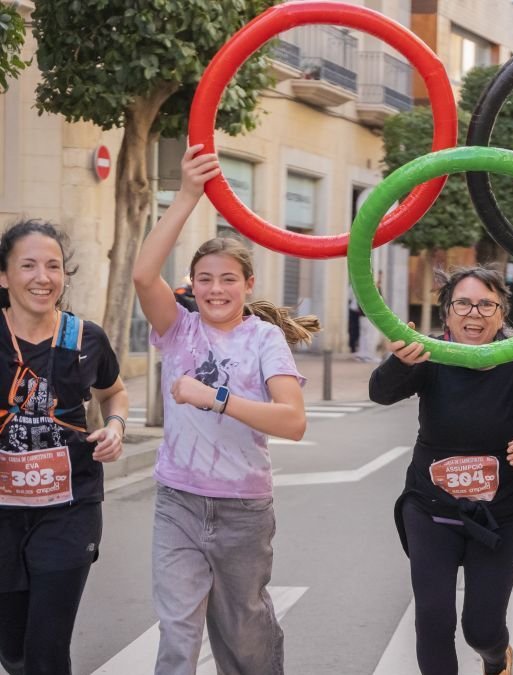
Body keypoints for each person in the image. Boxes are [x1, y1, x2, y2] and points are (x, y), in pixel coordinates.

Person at [133, 145, 318, 675]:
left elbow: (294, 421)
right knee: (178, 630)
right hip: (179, 502)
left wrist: (215, 397)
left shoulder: (263, 339)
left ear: (248, 285)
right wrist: (189, 194)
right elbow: (146, 276)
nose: (216, 289)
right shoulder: (178, 329)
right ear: (193, 286)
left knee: (245, 637)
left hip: (242, 509)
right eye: (206, 280)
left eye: (228, 279)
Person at [369, 265, 513, 675]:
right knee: (433, 618)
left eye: (487, 304)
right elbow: (380, 393)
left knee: (482, 628)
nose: (475, 313)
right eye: (463, 303)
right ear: (447, 314)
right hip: (431, 507)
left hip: (502, 512)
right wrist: (400, 361)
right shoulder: (429, 354)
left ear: (502, 312)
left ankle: (496, 656)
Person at [0, 220, 128, 675]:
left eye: (53, 266)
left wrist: (114, 426)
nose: (43, 277)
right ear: (4, 275)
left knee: (47, 651)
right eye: (29, 265)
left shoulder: (85, 338)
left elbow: (114, 392)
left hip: (70, 508)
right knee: (13, 650)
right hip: (3, 513)